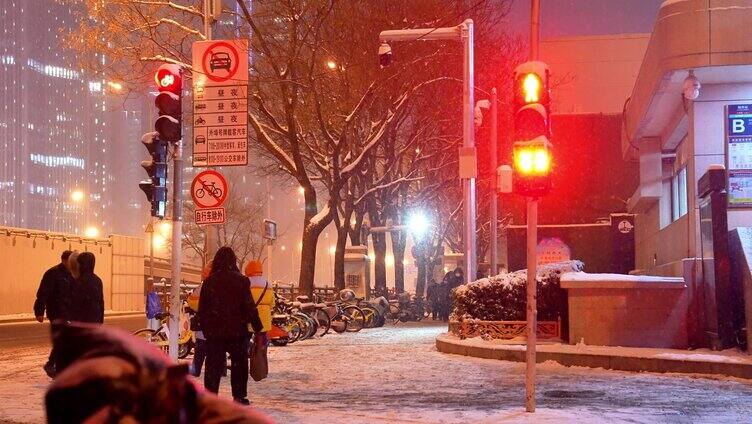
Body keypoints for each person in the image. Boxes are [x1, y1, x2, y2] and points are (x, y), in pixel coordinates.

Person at [198, 247, 264, 405]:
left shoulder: (209, 282)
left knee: (213, 365)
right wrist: (258, 327)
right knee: (239, 364)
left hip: (215, 333)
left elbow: (203, 309)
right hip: (237, 331)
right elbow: (249, 306)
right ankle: (239, 396)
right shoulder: (241, 281)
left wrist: (206, 330)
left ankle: (211, 397)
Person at [33, 250, 74, 377]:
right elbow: (43, 293)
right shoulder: (53, 273)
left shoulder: (72, 274)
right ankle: (52, 365)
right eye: (70, 261)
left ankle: (57, 366)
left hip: (69, 313)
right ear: (64, 260)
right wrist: (39, 311)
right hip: (56, 312)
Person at [187, 261, 212, 378]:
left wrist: (201, 307)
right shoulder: (225, 286)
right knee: (217, 351)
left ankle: (196, 370)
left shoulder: (204, 286)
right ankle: (220, 370)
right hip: (219, 328)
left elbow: (191, 301)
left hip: (204, 326)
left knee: (200, 350)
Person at [71, 252, 105, 324]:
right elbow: (101, 302)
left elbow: (75, 304)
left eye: (78, 264)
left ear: (82, 265)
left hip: (81, 322)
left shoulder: (78, 281)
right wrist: (100, 320)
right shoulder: (97, 280)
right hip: (95, 320)